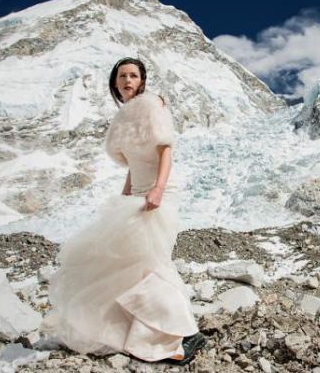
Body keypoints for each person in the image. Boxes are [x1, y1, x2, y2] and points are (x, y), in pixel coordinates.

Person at [42, 57, 205, 365]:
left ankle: (177, 335)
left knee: (153, 264)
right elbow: (132, 165)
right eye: (122, 76)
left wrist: (157, 189)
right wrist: (126, 194)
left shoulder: (150, 105)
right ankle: (149, 333)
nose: (128, 80)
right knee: (130, 264)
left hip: (161, 194)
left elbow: (165, 149)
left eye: (133, 75)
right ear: (115, 83)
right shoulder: (124, 116)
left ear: (142, 80)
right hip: (137, 196)